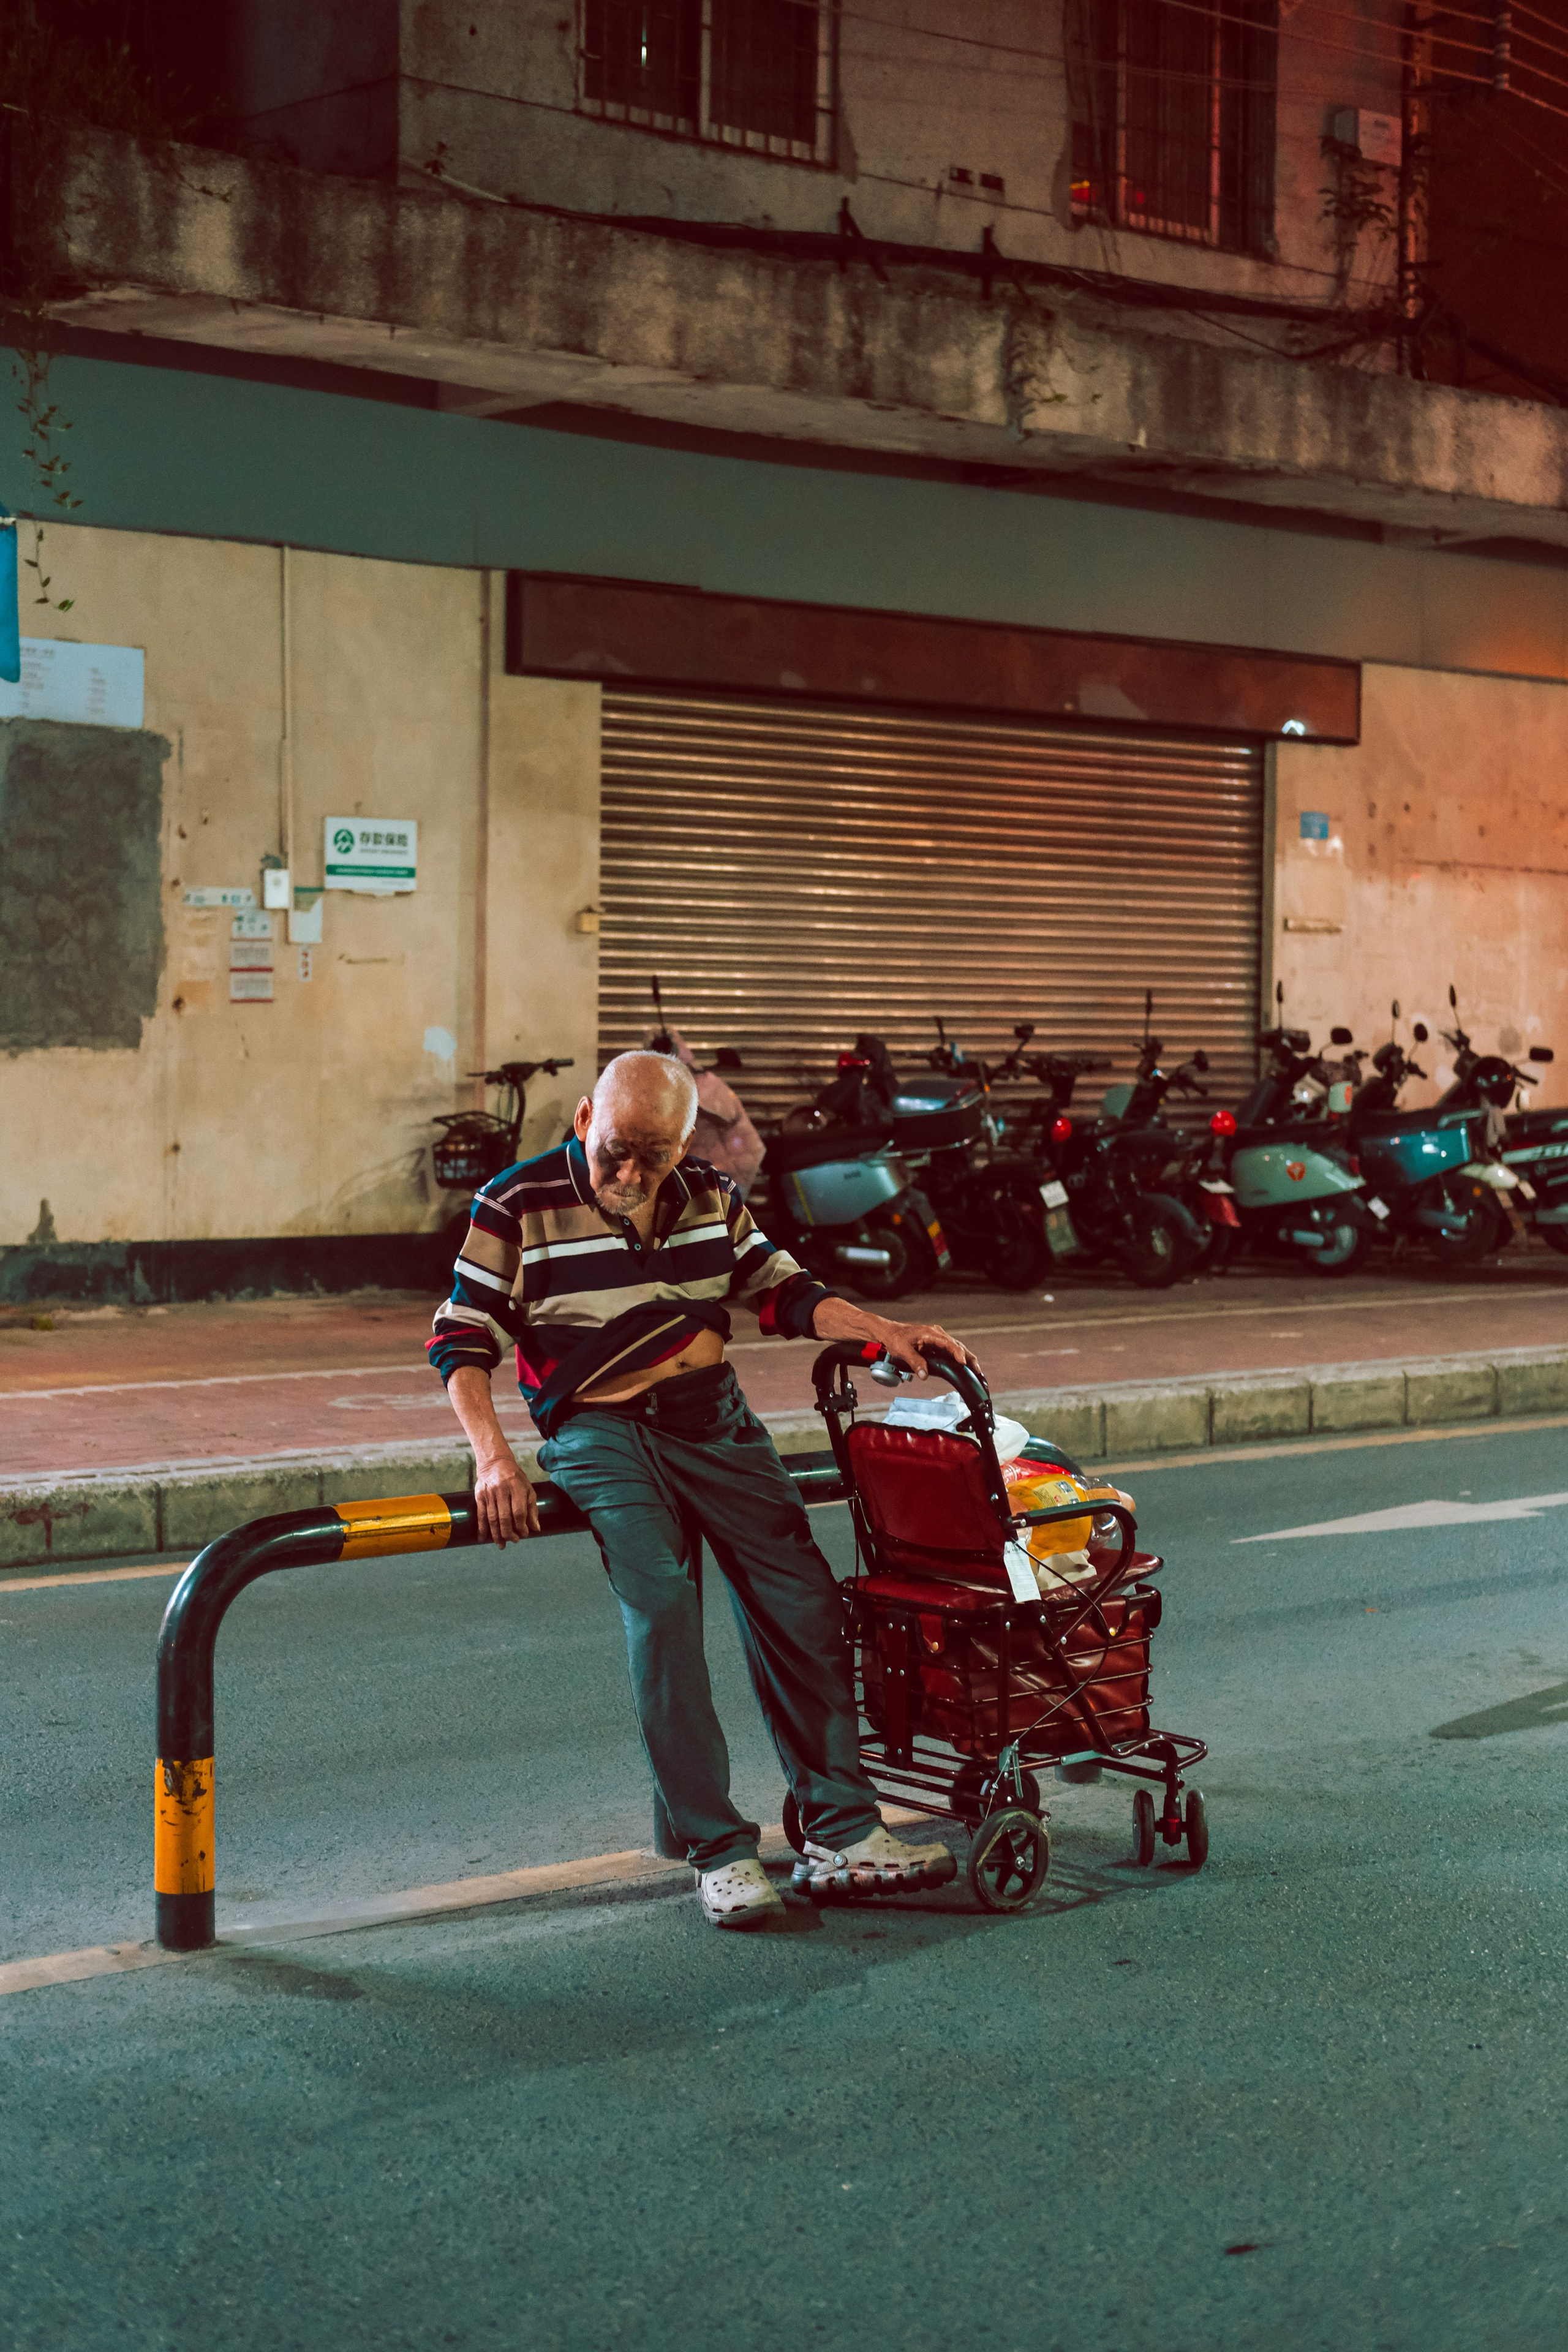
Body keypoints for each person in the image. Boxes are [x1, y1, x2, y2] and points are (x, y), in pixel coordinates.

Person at [430, 1050, 979, 1930]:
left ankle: (842, 1830)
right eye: (614, 1150)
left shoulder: (708, 1195)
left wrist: (883, 1330)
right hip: (601, 1431)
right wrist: (493, 1457)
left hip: (712, 1417)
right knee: (663, 1613)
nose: (630, 1174)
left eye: (653, 1154)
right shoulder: (517, 1202)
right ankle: (720, 1852)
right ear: (582, 1121)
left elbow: (785, 1292)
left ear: (685, 1142)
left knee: (801, 1600)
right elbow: (463, 1338)